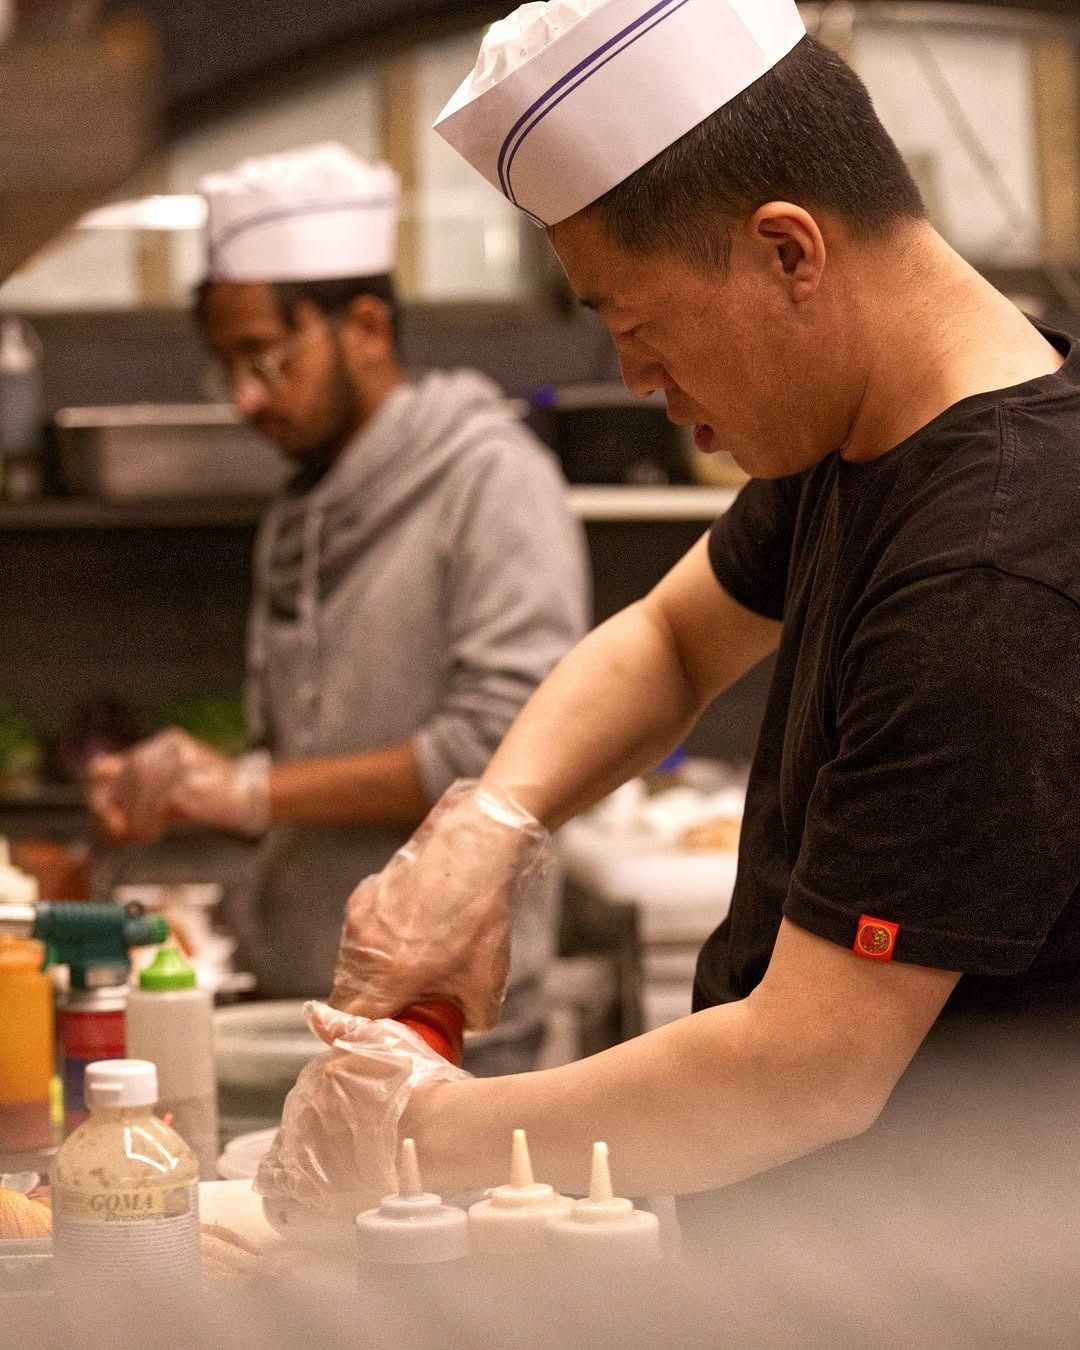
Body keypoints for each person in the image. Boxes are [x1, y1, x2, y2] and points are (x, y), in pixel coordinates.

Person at [255, 0, 1080, 1278]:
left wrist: (423, 1134)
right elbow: (671, 641)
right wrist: (492, 827)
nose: (638, 377)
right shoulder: (867, 431)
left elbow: (808, 1071)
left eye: (638, 326)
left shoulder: (990, 568)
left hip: (956, 1291)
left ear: (788, 252)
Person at [90, 143, 590, 1074]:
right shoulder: (300, 508)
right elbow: (308, 751)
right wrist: (201, 807)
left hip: (450, 1025)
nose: (245, 398)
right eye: (226, 368)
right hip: (315, 1001)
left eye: (266, 359)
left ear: (364, 325)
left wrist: (247, 790)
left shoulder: (491, 479)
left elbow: (499, 748)